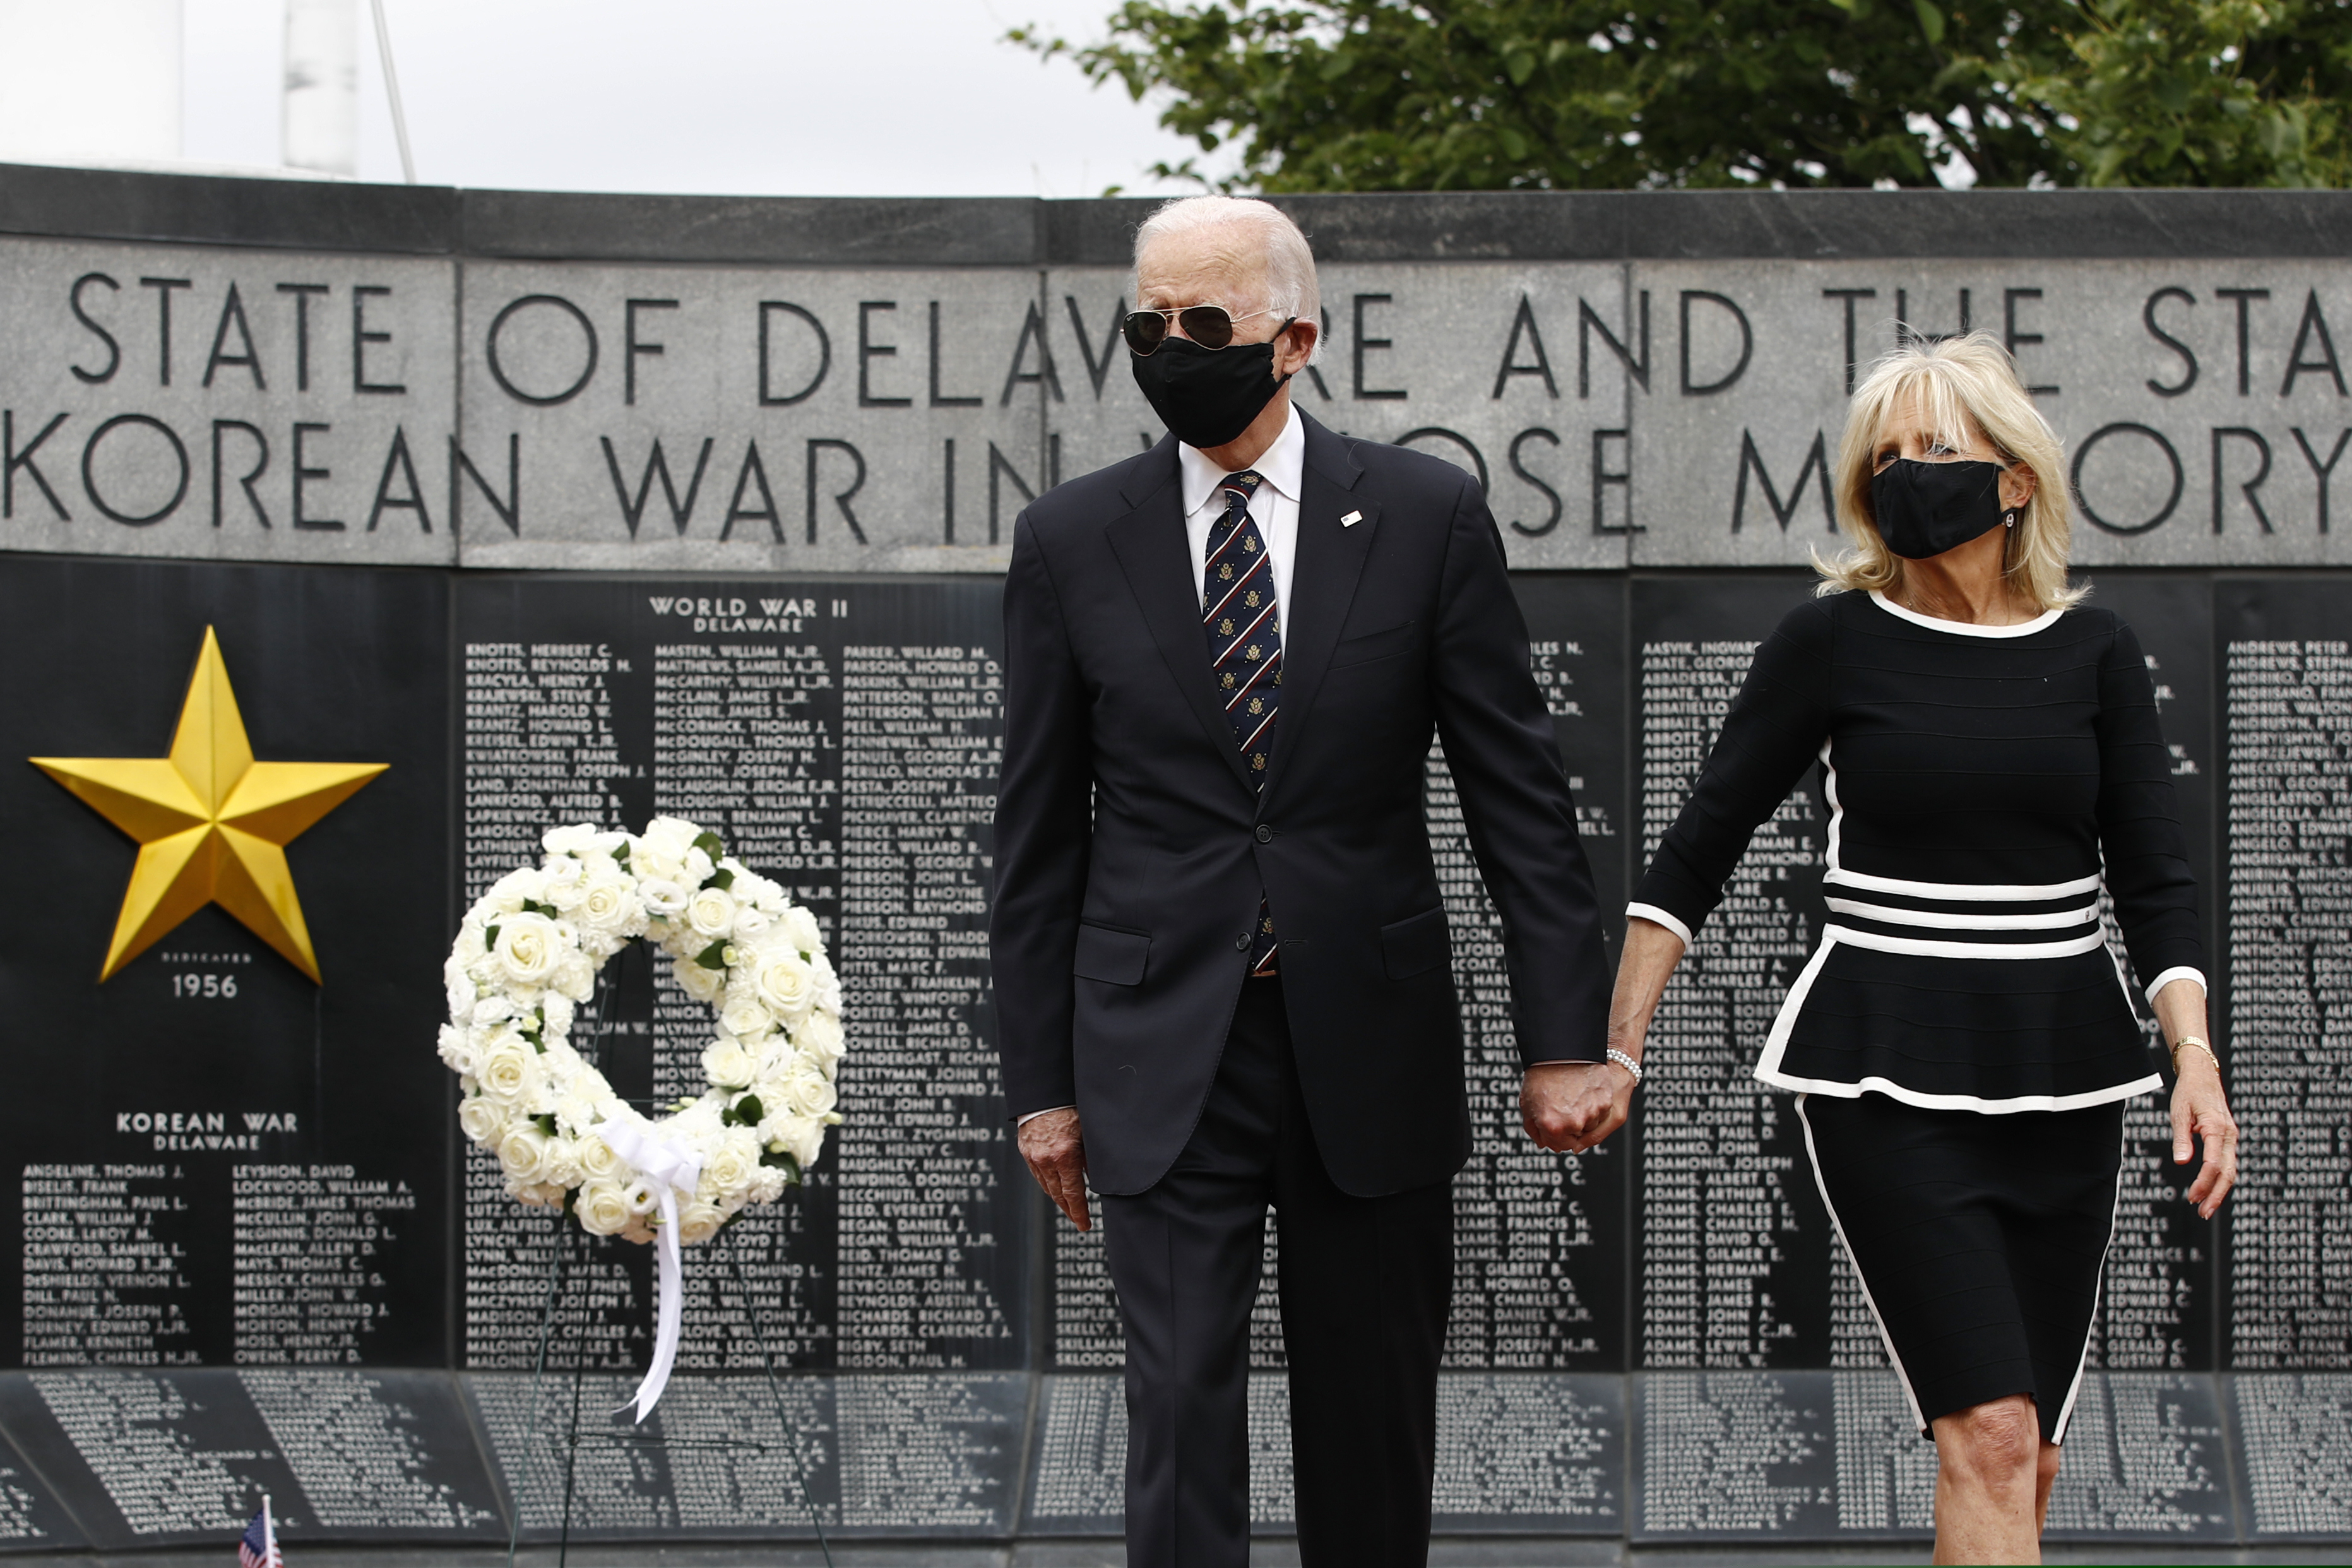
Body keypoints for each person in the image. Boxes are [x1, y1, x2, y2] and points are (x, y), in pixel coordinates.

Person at [1531, 331, 2240, 1565]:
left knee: (2036, 1449)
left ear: (2014, 480)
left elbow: (2155, 875)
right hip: (1884, 1074)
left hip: (2067, 1077)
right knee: (1993, 1433)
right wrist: (1618, 1051)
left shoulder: (2096, 654)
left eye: (1940, 449)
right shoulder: (1833, 644)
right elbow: (1699, 848)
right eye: (1889, 453)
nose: (1910, 472)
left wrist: (2197, 1060)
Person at [989, 194, 1614, 1568]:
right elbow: (1035, 843)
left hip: (1368, 1045)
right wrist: (1042, 1085)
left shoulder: (1423, 516)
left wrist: (1567, 1040)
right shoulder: (1071, 540)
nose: (1169, 346)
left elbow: (1520, 803)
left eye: (1202, 323)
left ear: (1296, 339)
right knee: (1176, 1425)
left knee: (1372, 1424)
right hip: (1158, 1058)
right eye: (1146, 324)